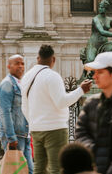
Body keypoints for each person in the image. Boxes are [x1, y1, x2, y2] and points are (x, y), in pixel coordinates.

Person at [21, 45, 92, 174]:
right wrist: (81, 89)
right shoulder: (52, 76)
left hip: (36, 129)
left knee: (39, 168)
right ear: (53, 59)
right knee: (56, 168)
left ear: (38, 58)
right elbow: (62, 102)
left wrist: (33, 123)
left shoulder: (26, 77)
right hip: (55, 129)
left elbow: (24, 106)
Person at [0, 54, 34, 174]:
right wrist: (11, 137)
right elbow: (5, 112)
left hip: (24, 133)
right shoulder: (7, 84)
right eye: (17, 63)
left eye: (22, 63)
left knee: (28, 170)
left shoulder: (20, 83)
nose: (20, 66)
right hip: (16, 135)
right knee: (19, 170)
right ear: (9, 66)